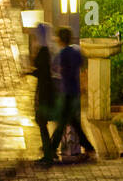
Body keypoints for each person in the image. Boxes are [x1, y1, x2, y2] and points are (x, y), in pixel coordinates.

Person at [53, 28, 96, 158]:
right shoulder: (76, 52)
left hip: (66, 90)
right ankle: (88, 146)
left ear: (60, 39)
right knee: (73, 121)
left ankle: (51, 148)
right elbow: (82, 67)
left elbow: (56, 68)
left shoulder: (62, 54)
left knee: (64, 121)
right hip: (75, 90)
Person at [29, 24, 59, 162]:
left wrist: (30, 71)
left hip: (45, 91)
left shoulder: (43, 51)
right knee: (43, 120)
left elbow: (43, 71)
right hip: (47, 89)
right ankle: (49, 150)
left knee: (41, 119)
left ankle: (49, 151)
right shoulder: (47, 49)